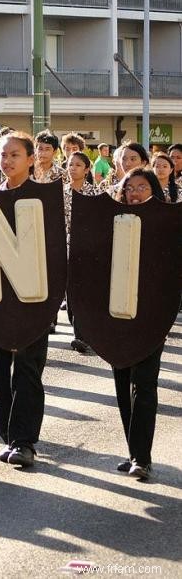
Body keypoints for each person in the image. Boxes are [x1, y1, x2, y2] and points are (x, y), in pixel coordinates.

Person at [0, 131, 50, 468]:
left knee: (27, 369)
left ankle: (24, 441)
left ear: (31, 159)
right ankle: (9, 434)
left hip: (34, 299)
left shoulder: (44, 198)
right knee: (1, 369)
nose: (8, 160)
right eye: (3, 154)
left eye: (15, 154)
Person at [110, 167, 167, 481]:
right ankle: (134, 451)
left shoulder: (166, 224)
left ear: (154, 190)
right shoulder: (114, 222)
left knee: (143, 383)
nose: (134, 193)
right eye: (129, 188)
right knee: (122, 383)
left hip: (152, 315)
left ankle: (142, 457)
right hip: (117, 314)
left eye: (142, 187)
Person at [62, 151, 104, 354]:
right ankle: (78, 327)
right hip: (64, 248)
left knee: (83, 293)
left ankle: (82, 335)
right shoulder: (59, 192)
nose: (73, 168)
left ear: (87, 169)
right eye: (70, 164)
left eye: (78, 165)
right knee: (70, 293)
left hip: (87, 249)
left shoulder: (94, 194)